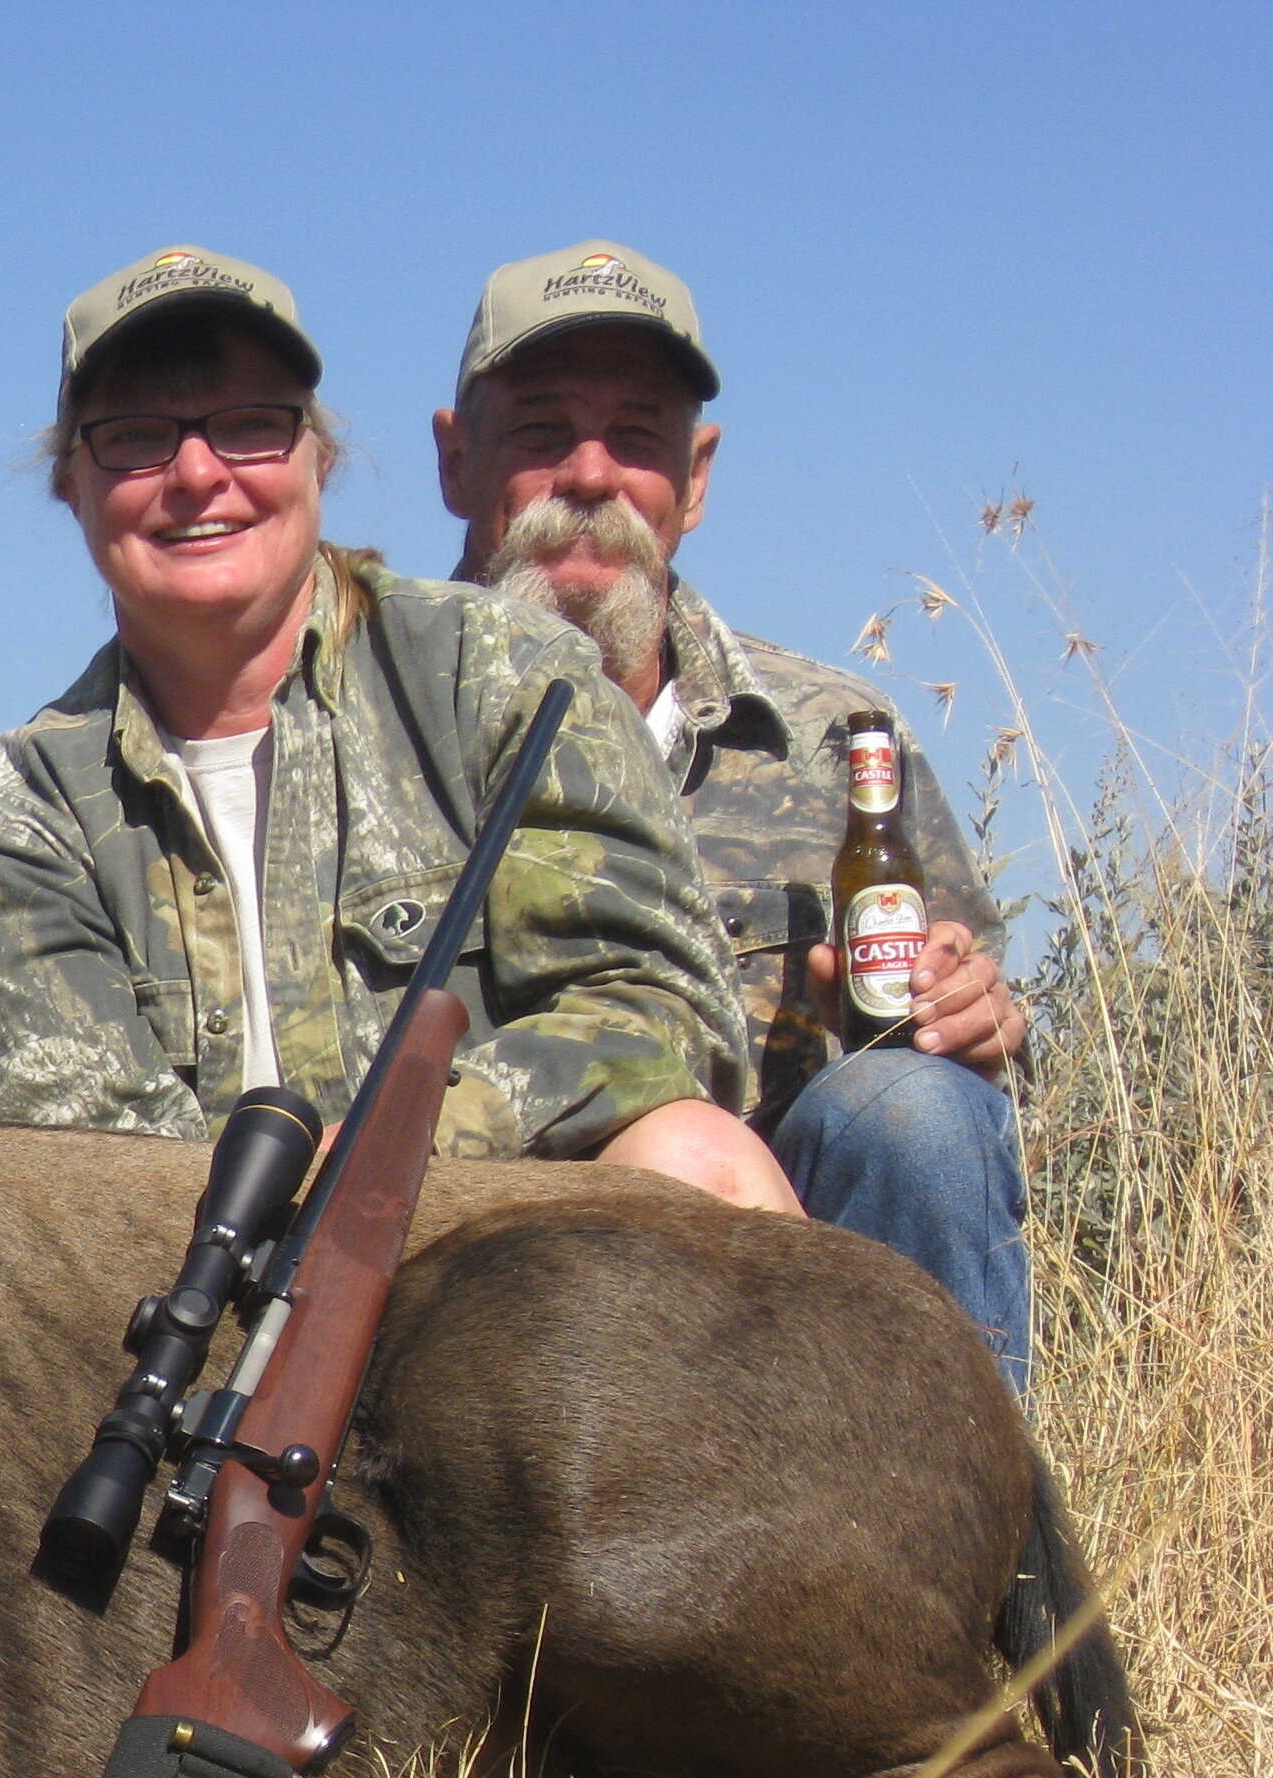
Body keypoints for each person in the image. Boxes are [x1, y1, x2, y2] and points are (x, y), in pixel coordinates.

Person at [0, 244, 768, 1201]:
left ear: (317, 459)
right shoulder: (27, 814)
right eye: (135, 437)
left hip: (498, 1253)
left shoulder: (501, 674)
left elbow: (658, 1007)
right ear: (69, 485)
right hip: (179, 1289)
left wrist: (403, 1141)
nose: (199, 474)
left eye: (251, 426)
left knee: (705, 1162)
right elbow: (82, 1174)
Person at [433, 241, 1032, 1386]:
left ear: (696, 478)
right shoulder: (364, 728)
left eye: (638, 437)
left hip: (792, 1284)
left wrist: (973, 1013)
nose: (592, 477)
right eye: (542, 431)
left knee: (922, 1117)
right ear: (458, 462)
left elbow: (971, 1048)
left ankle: (975, 1549)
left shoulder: (835, 735)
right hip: (493, 1277)